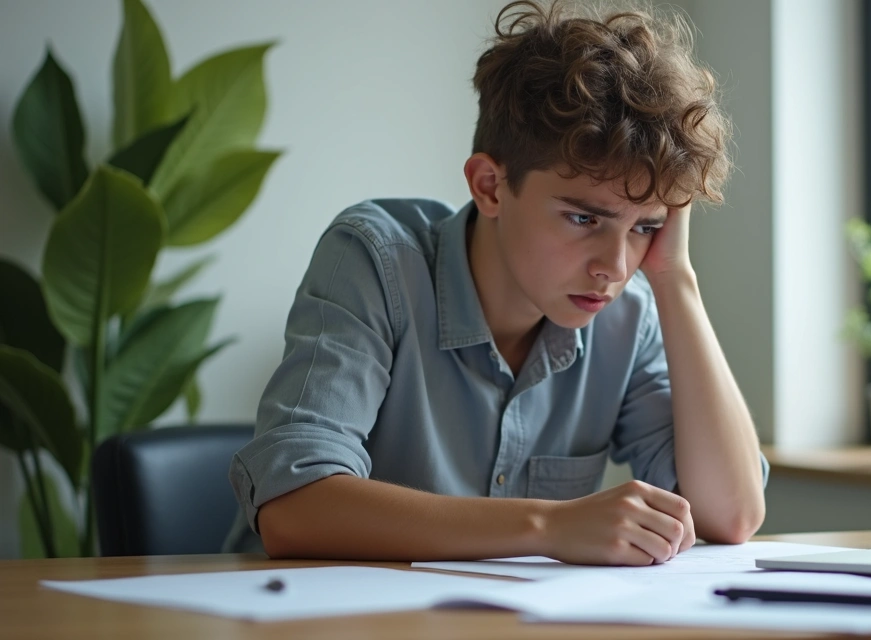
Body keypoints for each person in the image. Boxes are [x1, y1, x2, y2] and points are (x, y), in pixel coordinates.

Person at [222, 0, 769, 566]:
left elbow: (729, 515)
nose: (615, 265)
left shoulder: (629, 313)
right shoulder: (376, 260)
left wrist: (675, 277)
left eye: (646, 227)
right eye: (585, 218)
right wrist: (548, 526)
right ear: (489, 186)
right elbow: (294, 508)